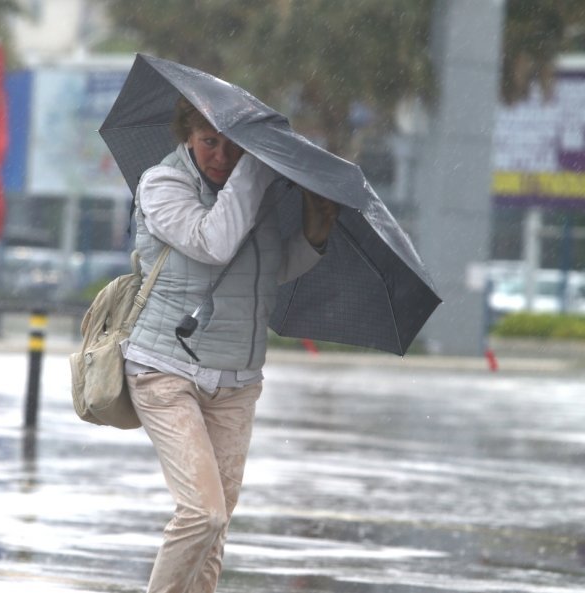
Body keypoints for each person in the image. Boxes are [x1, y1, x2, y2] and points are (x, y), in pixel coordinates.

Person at [122, 96, 338, 593]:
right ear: (187, 137)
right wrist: (257, 167)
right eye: (209, 142)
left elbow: (265, 274)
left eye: (235, 147)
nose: (221, 157)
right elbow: (213, 243)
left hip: (237, 381)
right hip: (164, 370)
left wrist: (313, 237)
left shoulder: (250, 199)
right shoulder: (162, 185)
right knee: (203, 514)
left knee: (215, 534)